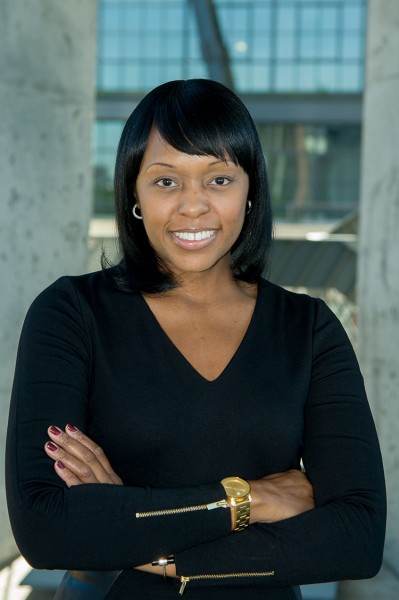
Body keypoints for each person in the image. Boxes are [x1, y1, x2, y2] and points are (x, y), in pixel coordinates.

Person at [6, 79, 386, 600]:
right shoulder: (72, 314)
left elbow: (357, 537)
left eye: (219, 179)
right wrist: (248, 499)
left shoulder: (309, 329)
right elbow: (46, 528)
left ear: (250, 190)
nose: (193, 207)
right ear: (133, 193)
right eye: (166, 182)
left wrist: (132, 531)